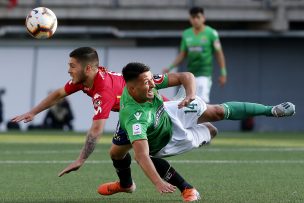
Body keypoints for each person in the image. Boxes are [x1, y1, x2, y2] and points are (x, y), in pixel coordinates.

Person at [11, 47, 195, 201]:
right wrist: (33, 112)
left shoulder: (103, 91)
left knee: (146, 154)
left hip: (148, 111)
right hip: (129, 112)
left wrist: (81, 159)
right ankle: (126, 185)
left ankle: (187, 188)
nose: (69, 70)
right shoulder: (85, 80)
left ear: (88, 68)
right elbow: (59, 94)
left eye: (72, 66)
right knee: (116, 152)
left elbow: (96, 131)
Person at [100, 62, 295, 201]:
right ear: (132, 88)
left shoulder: (146, 83)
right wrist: (158, 182)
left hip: (167, 114)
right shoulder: (134, 116)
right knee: (123, 153)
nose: (152, 85)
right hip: (166, 140)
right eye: (147, 82)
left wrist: (191, 95)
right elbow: (142, 156)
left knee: (217, 111)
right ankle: (184, 188)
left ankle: (271, 110)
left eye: (152, 79)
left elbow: (186, 76)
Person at [164, 6, 227, 103]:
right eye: (193, 17)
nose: (195, 20)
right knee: (184, 100)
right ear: (190, 19)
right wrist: (170, 67)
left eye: (198, 17)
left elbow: (219, 53)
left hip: (204, 74)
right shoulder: (186, 34)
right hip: (191, 73)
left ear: (203, 18)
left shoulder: (211, 33)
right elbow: (182, 54)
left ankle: (205, 118)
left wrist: (223, 73)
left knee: (201, 102)